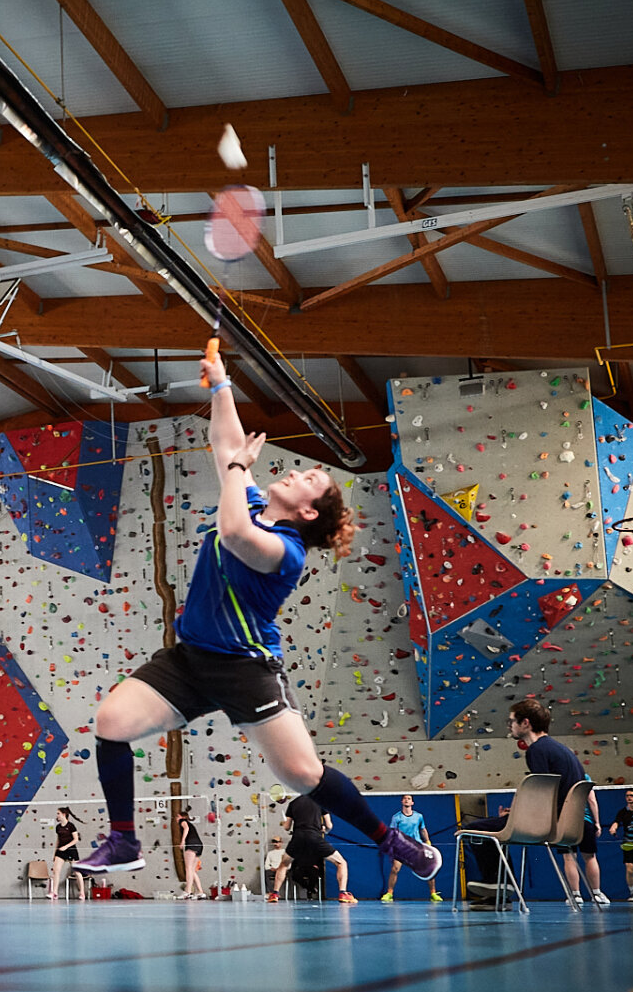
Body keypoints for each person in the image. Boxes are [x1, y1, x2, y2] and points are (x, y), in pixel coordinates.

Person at [74, 343, 440, 896]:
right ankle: (124, 839)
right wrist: (222, 384)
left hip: (247, 669)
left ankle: (391, 841)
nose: (293, 472)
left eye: (307, 479)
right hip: (190, 660)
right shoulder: (245, 499)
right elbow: (225, 444)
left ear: (308, 512)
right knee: (111, 722)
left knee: (302, 775)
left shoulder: (285, 551)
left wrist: (238, 467)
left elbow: (233, 532)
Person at [483, 698, 605, 907]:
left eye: (512, 721)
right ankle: (500, 887)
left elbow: (543, 797)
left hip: (549, 824)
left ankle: (498, 888)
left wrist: (516, 816)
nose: (509, 726)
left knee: (476, 829)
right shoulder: (563, 750)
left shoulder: (537, 750)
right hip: (572, 825)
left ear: (525, 723)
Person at [269, 791, 352, 903]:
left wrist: (284, 823)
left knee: (283, 865)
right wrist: (325, 830)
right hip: (315, 837)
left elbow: (287, 827)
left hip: (298, 838)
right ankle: (343, 893)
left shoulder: (293, 803)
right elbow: (329, 825)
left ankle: (274, 894)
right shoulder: (321, 802)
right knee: (341, 863)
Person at [381, 795, 442, 902]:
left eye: (409, 799)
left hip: (417, 847)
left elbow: (423, 829)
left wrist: (427, 842)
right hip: (401, 847)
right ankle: (389, 893)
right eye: (405, 798)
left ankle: (433, 893)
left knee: (429, 869)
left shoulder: (419, 816)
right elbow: (392, 832)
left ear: (412, 803)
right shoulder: (396, 817)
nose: (406, 800)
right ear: (402, 801)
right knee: (395, 869)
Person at [48, 807, 81, 901]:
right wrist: (55, 853)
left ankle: (82, 893)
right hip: (60, 851)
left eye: (58, 813)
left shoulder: (71, 826)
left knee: (77, 872)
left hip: (71, 850)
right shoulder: (58, 827)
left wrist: (66, 847)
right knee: (56, 871)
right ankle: (54, 893)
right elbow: (58, 840)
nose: (57, 815)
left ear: (64, 814)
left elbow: (76, 839)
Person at [175, 809, 205, 900]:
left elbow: (186, 828)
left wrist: (183, 841)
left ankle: (187, 891)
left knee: (188, 868)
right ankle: (200, 892)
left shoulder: (182, 821)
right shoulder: (190, 823)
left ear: (182, 817)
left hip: (191, 844)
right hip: (199, 845)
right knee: (192, 870)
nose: (176, 818)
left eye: (177, 816)